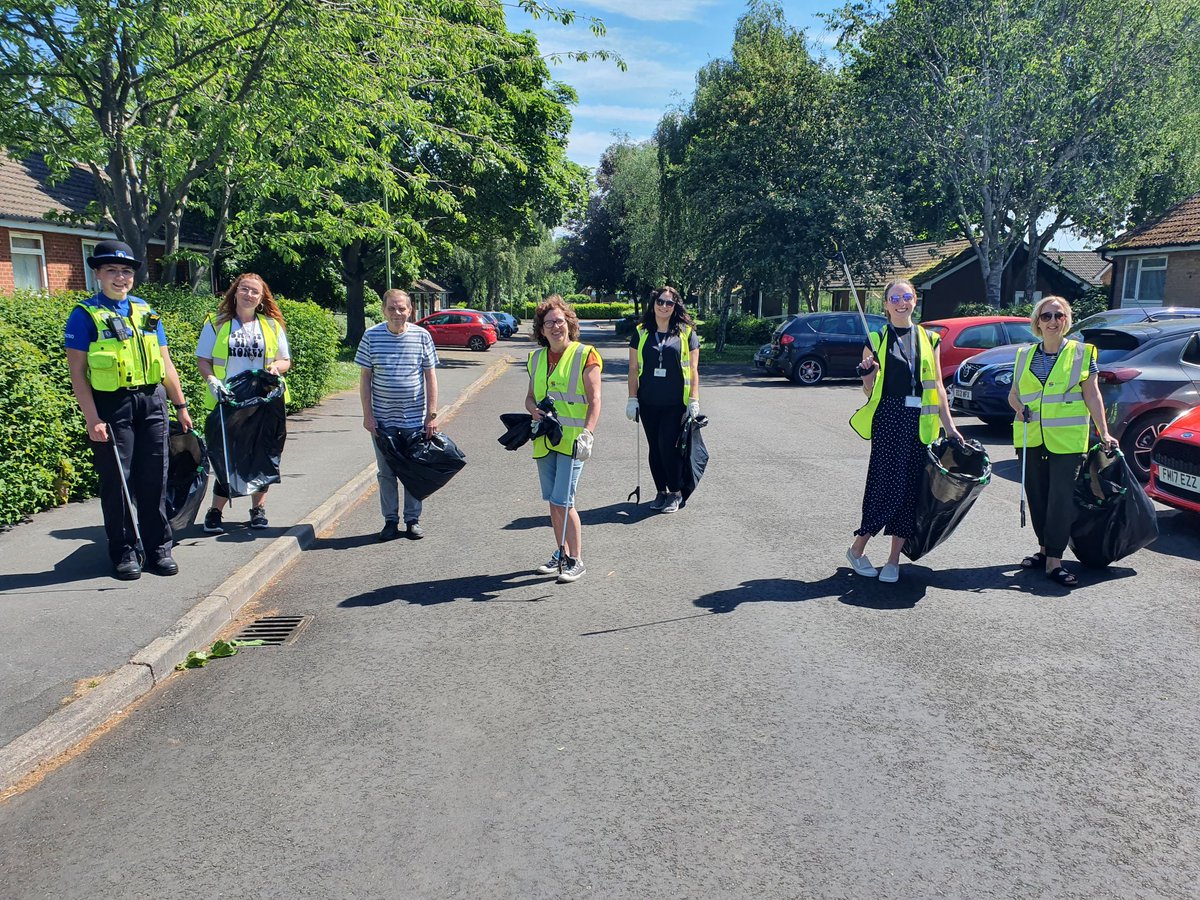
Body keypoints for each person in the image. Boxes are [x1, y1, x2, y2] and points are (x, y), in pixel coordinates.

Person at [64, 240, 193, 580]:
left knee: (155, 477)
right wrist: (92, 418)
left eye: (125, 271)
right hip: (112, 405)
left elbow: (165, 362)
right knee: (117, 482)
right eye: (111, 271)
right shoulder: (85, 315)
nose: (120, 278)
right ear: (98, 274)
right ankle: (124, 552)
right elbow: (77, 372)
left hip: (152, 402)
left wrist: (180, 405)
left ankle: (158, 548)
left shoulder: (145, 311)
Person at [847, 279, 962, 583]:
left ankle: (893, 559)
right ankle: (857, 549)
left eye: (907, 296)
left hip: (920, 425)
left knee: (910, 489)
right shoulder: (876, 338)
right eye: (894, 297)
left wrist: (949, 425)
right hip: (888, 420)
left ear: (914, 301)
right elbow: (869, 391)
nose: (901, 302)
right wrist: (868, 375)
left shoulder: (930, 339)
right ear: (885, 305)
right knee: (885, 486)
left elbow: (937, 385)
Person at [1008, 295, 1116, 588]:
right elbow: (1014, 394)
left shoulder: (1082, 354)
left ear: (1067, 320)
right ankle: (1044, 549)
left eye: (1059, 316)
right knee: (1037, 495)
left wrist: (1103, 431)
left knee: (1060, 499)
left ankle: (1054, 559)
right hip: (1031, 437)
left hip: (1067, 440)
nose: (1053, 321)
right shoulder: (1024, 355)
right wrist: (1018, 407)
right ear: (1037, 322)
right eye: (1047, 316)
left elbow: (1093, 395)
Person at [196, 273, 292, 533]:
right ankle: (215, 511)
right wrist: (212, 381)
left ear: (262, 298)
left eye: (255, 292)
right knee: (227, 456)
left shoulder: (272, 326)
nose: (249, 295)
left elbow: (285, 360)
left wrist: (276, 368)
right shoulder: (216, 324)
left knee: (262, 455)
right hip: (229, 400)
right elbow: (203, 360)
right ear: (235, 292)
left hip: (264, 401)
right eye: (245, 289)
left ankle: (258, 510)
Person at [525, 295, 602, 583]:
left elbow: (595, 399)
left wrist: (588, 433)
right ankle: (561, 552)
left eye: (559, 321)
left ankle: (577, 560)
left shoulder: (586, 355)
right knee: (553, 502)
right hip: (545, 440)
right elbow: (530, 398)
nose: (555, 327)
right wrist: (534, 412)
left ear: (569, 323)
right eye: (549, 323)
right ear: (541, 330)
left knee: (564, 500)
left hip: (572, 442)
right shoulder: (535, 358)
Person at [356, 289, 439, 541]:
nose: (397, 313)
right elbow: (365, 378)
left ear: (410, 310)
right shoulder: (371, 336)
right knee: (386, 472)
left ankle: (412, 520)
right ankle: (390, 521)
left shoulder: (422, 336)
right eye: (392, 308)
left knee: (414, 469)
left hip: (415, 420)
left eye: (402, 308)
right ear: (384, 310)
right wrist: (367, 415)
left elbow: (430, 377)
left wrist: (431, 415)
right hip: (383, 421)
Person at [625, 286, 701, 512]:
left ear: (676, 306)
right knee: (654, 449)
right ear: (653, 303)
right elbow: (632, 368)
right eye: (661, 301)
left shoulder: (686, 333)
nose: (664, 306)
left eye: (670, 303)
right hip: (648, 402)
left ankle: (676, 492)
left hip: (675, 403)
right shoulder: (641, 332)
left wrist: (694, 399)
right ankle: (660, 491)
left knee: (668, 446)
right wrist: (632, 399)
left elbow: (694, 369)